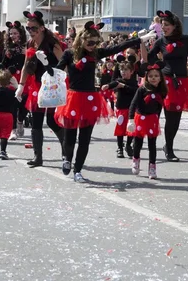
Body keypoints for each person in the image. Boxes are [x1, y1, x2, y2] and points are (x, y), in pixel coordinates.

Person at [54, 21, 151, 181]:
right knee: (70, 136)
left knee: (85, 139)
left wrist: (137, 40)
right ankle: (67, 159)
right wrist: (47, 67)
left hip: (90, 99)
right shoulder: (70, 54)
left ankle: (77, 170)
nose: (93, 45)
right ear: (81, 39)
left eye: (95, 42)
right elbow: (58, 69)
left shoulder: (95, 54)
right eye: (90, 42)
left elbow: (116, 48)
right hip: (73, 99)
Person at [148, 10, 188, 161]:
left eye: (166, 25)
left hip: (182, 82)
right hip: (165, 82)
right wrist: (143, 42)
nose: (163, 28)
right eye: (162, 25)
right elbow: (149, 59)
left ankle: (168, 145)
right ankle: (168, 149)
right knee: (166, 116)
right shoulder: (161, 41)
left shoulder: (186, 40)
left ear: (174, 26)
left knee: (175, 118)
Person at [16, 11, 64, 168]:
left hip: (51, 85)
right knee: (36, 122)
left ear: (42, 28)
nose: (31, 31)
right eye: (28, 28)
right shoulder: (30, 44)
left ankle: (66, 149)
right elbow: (25, 65)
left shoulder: (52, 44)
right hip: (36, 85)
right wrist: (21, 86)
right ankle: (38, 156)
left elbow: (64, 64)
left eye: (34, 28)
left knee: (51, 121)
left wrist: (55, 75)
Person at [126, 62, 168, 179]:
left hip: (152, 119)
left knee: (152, 145)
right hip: (140, 118)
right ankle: (136, 159)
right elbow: (133, 104)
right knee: (138, 143)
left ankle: (152, 167)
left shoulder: (161, 91)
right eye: (150, 76)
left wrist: (156, 119)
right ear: (146, 78)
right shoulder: (142, 89)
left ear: (160, 78)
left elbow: (159, 107)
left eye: (156, 76)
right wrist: (130, 119)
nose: (153, 78)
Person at [102, 61, 138, 158]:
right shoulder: (119, 80)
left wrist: (124, 86)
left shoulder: (133, 82)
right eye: (122, 70)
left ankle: (128, 145)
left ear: (131, 71)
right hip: (121, 109)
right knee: (120, 129)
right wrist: (108, 86)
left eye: (126, 70)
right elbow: (114, 83)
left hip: (131, 109)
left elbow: (134, 90)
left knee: (131, 128)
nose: (123, 72)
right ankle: (120, 148)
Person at [2, 21, 27, 140]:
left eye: (15, 33)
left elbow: (31, 63)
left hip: (24, 78)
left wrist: (27, 54)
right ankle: (13, 130)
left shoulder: (26, 47)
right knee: (13, 105)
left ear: (20, 34)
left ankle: (20, 121)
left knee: (24, 105)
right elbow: (2, 65)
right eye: (11, 34)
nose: (12, 36)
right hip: (12, 79)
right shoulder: (7, 48)